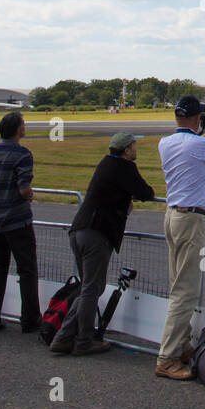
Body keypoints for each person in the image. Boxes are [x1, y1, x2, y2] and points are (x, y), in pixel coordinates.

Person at [50, 131, 156, 357]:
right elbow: (145, 192)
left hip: (79, 229)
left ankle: (65, 336)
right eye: (134, 146)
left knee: (88, 286)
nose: (136, 149)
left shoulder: (105, 163)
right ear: (126, 150)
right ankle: (83, 340)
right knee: (92, 288)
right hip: (96, 233)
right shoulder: (124, 167)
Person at [156, 96, 205, 380]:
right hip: (191, 220)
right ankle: (167, 357)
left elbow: (192, 148)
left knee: (178, 284)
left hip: (172, 215)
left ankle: (181, 345)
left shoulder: (167, 143)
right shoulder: (201, 145)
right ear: (198, 118)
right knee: (185, 291)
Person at [0, 111, 41, 334]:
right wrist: (28, 195)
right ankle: (30, 318)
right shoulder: (23, 154)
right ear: (18, 129)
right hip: (16, 219)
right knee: (26, 269)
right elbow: (24, 188)